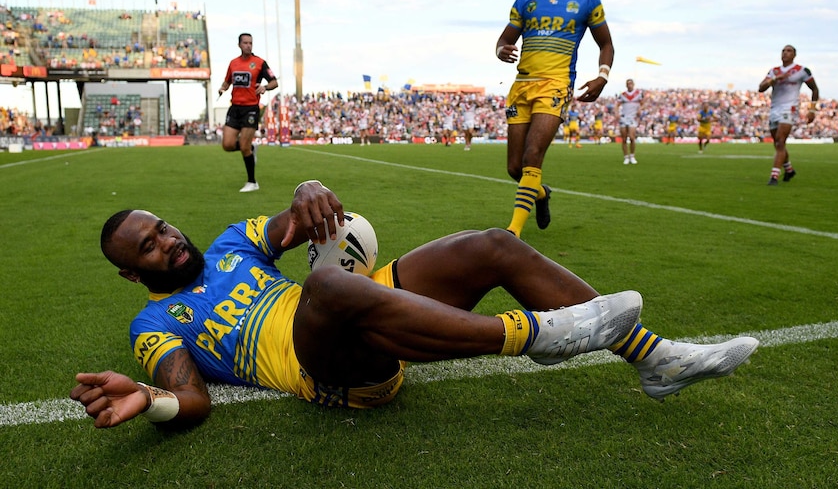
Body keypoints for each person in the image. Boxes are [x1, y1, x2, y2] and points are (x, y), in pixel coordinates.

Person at [71, 180, 758, 429]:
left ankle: (655, 358)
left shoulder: (228, 244)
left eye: (160, 227)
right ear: (134, 275)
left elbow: (292, 220)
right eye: (148, 248)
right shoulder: (154, 322)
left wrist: (310, 185)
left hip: (352, 301)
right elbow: (190, 399)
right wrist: (149, 399)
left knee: (490, 245)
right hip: (328, 367)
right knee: (329, 285)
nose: (165, 241)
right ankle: (533, 336)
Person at [495, 0, 615, 238]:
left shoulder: (587, 1)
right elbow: (503, 40)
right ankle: (541, 194)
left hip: (556, 85)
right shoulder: (525, 1)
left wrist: (602, 76)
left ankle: (513, 231)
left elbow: (606, 44)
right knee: (515, 169)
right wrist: (501, 50)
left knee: (532, 155)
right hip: (521, 87)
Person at [217, 33, 278, 193]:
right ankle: (251, 148)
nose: (248, 45)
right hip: (235, 108)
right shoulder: (233, 63)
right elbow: (228, 80)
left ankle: (252, 182)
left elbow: (274, 82)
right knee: (227, 145)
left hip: (251, 108)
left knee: (243, 146)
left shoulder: (259, 63)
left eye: (250, 43)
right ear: (239, 45)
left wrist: (265, 87)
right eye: (245, 43)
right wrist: (223, 87)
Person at [758, 44, 819, 185]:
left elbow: (814, 89)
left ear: (794, 55)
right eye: (783, 51)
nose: (785, 53)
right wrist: (775, 79)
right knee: (778, 143)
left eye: (789, 51)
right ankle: (789, 169)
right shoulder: (774, 71)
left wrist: (812, 109)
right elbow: (761, 88)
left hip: (789, 108)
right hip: (774, 109)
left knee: (780, 141)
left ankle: (774, 176)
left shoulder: (801, 71)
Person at [618, 79, 644, 165]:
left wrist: (640, 109)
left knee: (632, 138)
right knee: (624, 139)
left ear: (633, 84)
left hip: (633, 118)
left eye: (631, 84)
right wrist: (616, 113)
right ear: (626, 85)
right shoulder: (622, 95)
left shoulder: (638, 94)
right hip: (623, 117)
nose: (629, 85)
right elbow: (616, 105)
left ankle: (632, 156)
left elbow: (643, 104)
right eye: (628, 84)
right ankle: (626, 157)